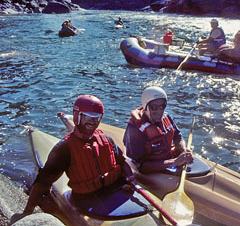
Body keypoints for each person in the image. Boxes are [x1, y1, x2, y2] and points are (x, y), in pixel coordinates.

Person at [11, 95, 135, 224]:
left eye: (96, 118)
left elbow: (122, 162)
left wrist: (130, 179)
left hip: (114, 191)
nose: (92, 122)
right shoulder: (64, 149)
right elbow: (42, 183)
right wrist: (27, 213)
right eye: (87, 117)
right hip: (86, 200)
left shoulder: (106, 140)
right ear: (77, 116)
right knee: (46, 197)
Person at [123, 86, 193, 174]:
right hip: (150, 167)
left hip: (167, 159)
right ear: (146, 107)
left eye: (162, 106)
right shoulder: (135, 129)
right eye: (154, 107)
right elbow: (140, 166)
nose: (159, 111)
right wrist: (174, 162)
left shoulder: (166, 117)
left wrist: (183, 150)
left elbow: (178, 137)